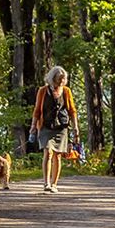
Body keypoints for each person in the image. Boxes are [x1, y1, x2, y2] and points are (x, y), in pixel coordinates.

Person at [32, 65, 79, 193]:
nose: (61, 82)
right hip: (46, 126)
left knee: (57, 156)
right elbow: (36, 111)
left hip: (61, 127)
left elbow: (72, 111)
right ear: (52, 78)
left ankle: (54, 184)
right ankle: (46, 183)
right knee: (48, 152)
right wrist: (33, 127)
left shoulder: (66, 91)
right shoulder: (42, 91)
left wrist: (76, 128)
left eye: (63, 79)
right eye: (59, 79)